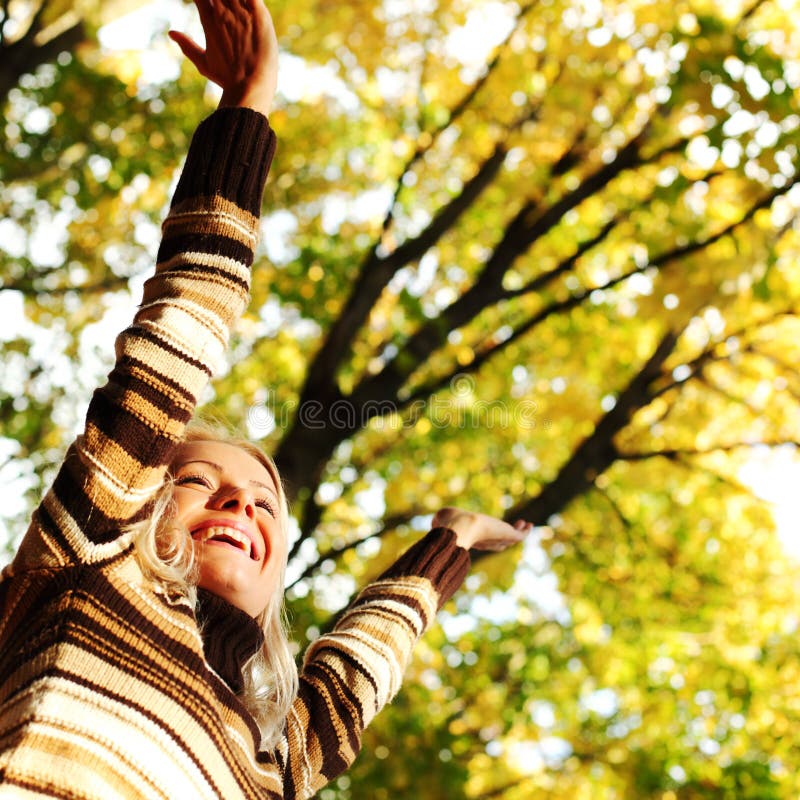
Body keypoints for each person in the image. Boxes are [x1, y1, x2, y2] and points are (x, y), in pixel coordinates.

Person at [0, 1, 531, 798]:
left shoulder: (281, 754)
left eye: (263, 505)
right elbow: (178, 336)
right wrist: (247, 104)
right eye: (197, 482)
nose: (241, 508)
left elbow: (366, 658)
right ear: (139, 500)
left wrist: (450, 541)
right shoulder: (92, 557)